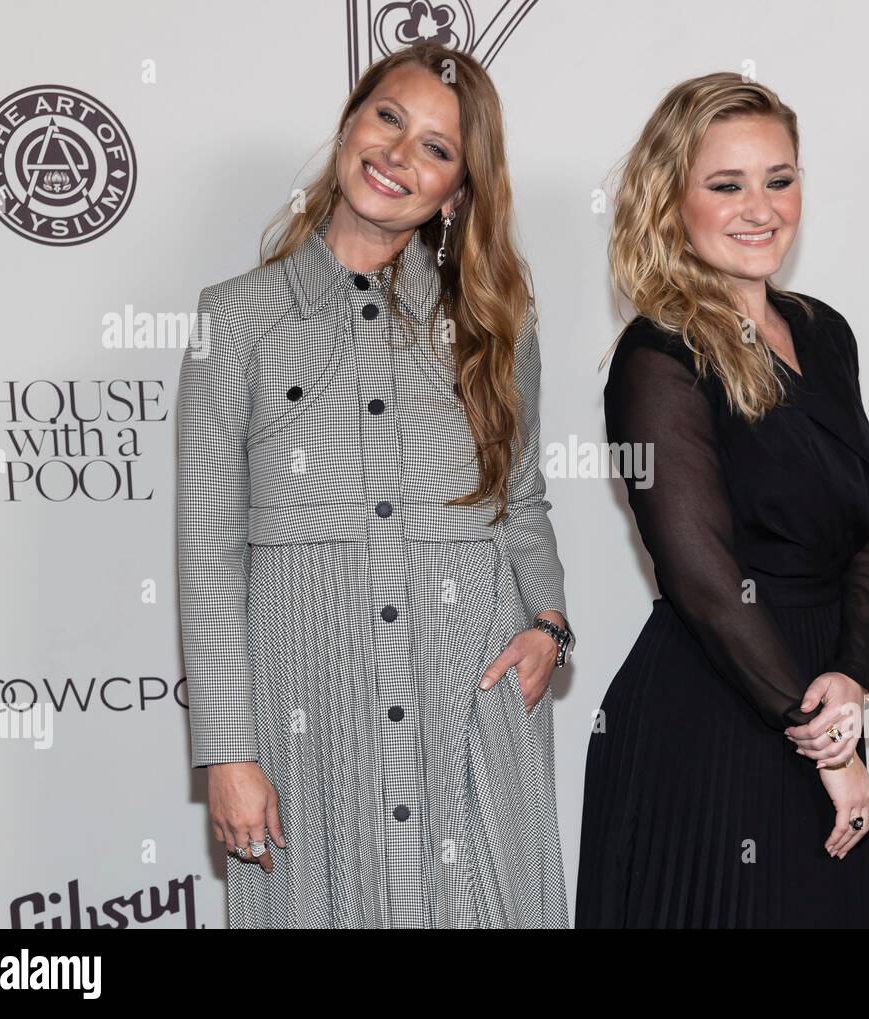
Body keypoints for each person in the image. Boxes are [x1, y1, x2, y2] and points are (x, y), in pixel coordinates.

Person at [176, 42, 575, 928]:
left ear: (458, 191)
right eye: (389, 119)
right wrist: (228, 753)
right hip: (310, 712)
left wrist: (548, 623)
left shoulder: (496, 327)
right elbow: (208, 554)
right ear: (351, 123)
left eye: (438, 148)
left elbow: (524, 500)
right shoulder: (233, 318)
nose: (400, 155)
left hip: (470, 704)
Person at [575, 72, 869, 928]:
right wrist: (821, 738)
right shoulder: (659, 356)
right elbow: (703, 579)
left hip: (820, 697)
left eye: (779, 179)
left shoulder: (824, 331)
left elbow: (868, 525)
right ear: (671, 199)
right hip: (715, 716)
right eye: (727, 184)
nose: (762, 207)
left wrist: (853, 682)